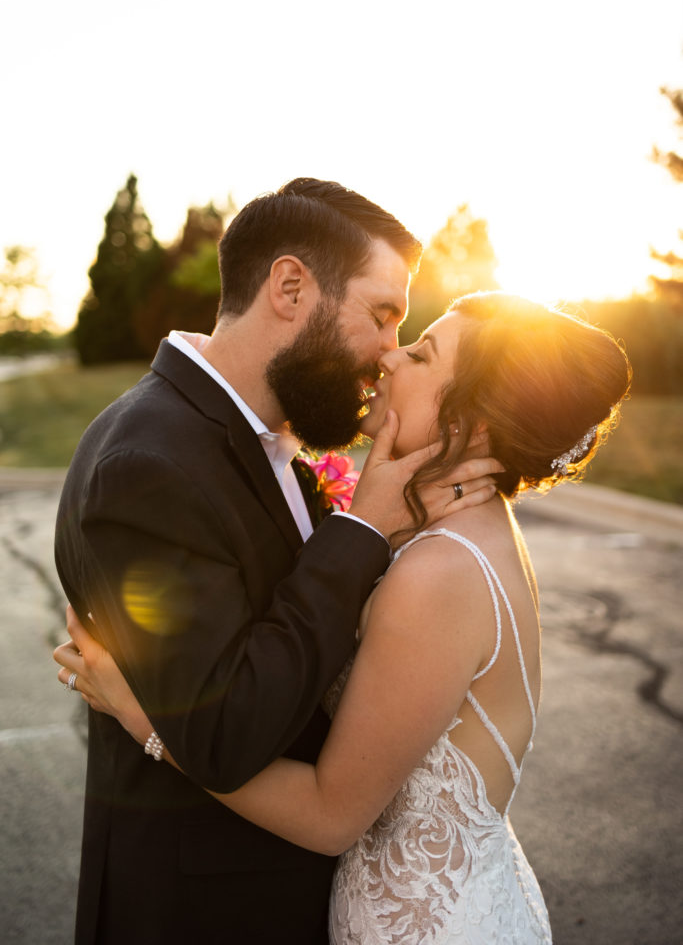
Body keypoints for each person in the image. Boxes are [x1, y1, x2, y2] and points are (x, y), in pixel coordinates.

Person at [56, 291, 632, 944]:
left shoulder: (439, 575)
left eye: (420, 353)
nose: (391, 357)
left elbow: (331, 815)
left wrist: (143, 717)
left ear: (471, 421)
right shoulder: (454, 532)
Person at [54, 178, 498, 945]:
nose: (390, 353)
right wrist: (361, 531)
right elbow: (222, 732)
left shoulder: (259, 436)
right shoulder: (149, 462)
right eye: (382, 315)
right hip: (204, 914)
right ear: (291, 286)